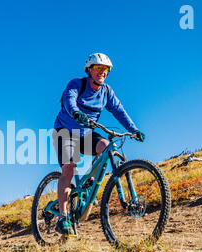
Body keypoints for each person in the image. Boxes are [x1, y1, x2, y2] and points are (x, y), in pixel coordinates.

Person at [52, 53, 145, 235]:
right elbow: (69, 100)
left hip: (85, 134)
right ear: (89, 70)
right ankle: (62, 217)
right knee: (69, 168)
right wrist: (76, 113)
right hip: (65, 131)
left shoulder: (106, 92)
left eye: (105, 69)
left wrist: (133, 130)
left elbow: (119, 111)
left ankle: (89, 182)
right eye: (98, 68)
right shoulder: (77, 84)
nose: (102, 72)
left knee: (105, 145)